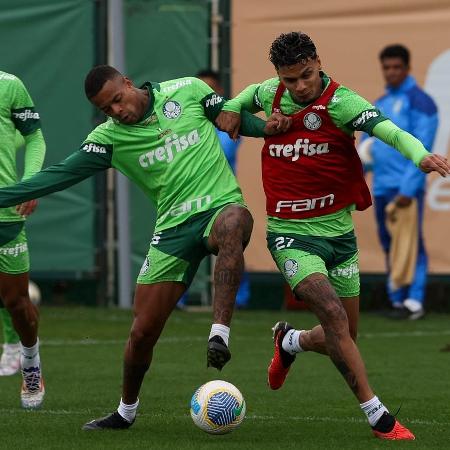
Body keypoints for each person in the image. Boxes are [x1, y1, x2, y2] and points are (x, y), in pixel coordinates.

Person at [0, 65, 288, 429]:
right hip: (172, 230)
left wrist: (266, 129)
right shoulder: (107, 138)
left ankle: (219, 333)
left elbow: (232, 119)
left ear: (128, 83)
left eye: (117, 100)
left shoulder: (188, 90)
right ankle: (126, 411)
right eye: (107, 109)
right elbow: (55, 176)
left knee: (235, 221)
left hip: (218, 208)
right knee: (142, 332)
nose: (116, 111)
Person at [219, 32, 449, 440]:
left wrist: (422, 157)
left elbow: (391, 132)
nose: (300, 86)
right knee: (335, 317)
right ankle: (378, 416)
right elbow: (239, 98)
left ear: (318, 62)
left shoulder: (344, 103)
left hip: (339, 236)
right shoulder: (270, 93)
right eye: (290, 80)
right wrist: (235, 110)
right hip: (290, 235)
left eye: (306, 75)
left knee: (344, 336)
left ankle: (291, 342)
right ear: (279, 77)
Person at [361, 44, 438, 320]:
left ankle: (414, 301)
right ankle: (397, 299)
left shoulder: (421, 102)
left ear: (407, 68)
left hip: (405, 188)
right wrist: (362, 166)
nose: (391, 72)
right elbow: (368, 146)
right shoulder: (380, 102)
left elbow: (424, 147)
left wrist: (408, 188)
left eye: (396, 67)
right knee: (388, 243)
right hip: (381, 186)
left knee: (410, 243)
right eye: (386, 67)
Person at [177, 69, 250, 309]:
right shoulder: (183, 122)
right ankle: (177, 299)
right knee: (184, 248)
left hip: (222, 196)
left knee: (232, 245)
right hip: (190, 194)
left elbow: (225, 152)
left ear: (218, 91)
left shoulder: (228, 118)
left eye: (209, 88)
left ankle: (240, 300)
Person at [0, 70, 46, 408]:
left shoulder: (9, 85)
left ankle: (30, 361)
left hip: (4, 211)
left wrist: (30, 183)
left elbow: (34, 138)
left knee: (17, 303)